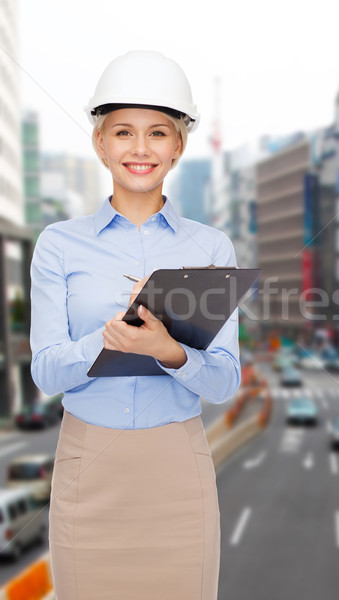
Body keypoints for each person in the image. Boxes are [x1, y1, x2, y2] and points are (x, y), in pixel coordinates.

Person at [30, 50, 241, 600]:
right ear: (100, 143)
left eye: (159, 133)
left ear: (179, 146)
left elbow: (223, 382)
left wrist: (168, 350)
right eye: (123, 132)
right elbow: (48, 373)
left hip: (178, 471)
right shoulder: (58, 243)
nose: (140, 148)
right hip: (88, 470)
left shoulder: (212, 246)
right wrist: (108, 339)